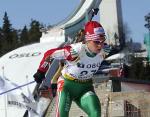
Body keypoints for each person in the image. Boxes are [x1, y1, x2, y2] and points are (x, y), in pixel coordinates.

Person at [33, 21, 107, 117]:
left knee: (95, 113)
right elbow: (49, 54)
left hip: (85, 87)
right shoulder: (75, 51)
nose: (100, 45)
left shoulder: (105, 50)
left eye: (102, 41)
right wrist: (41, 71)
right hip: (67, 86)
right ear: (88, 40)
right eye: (96, 42)